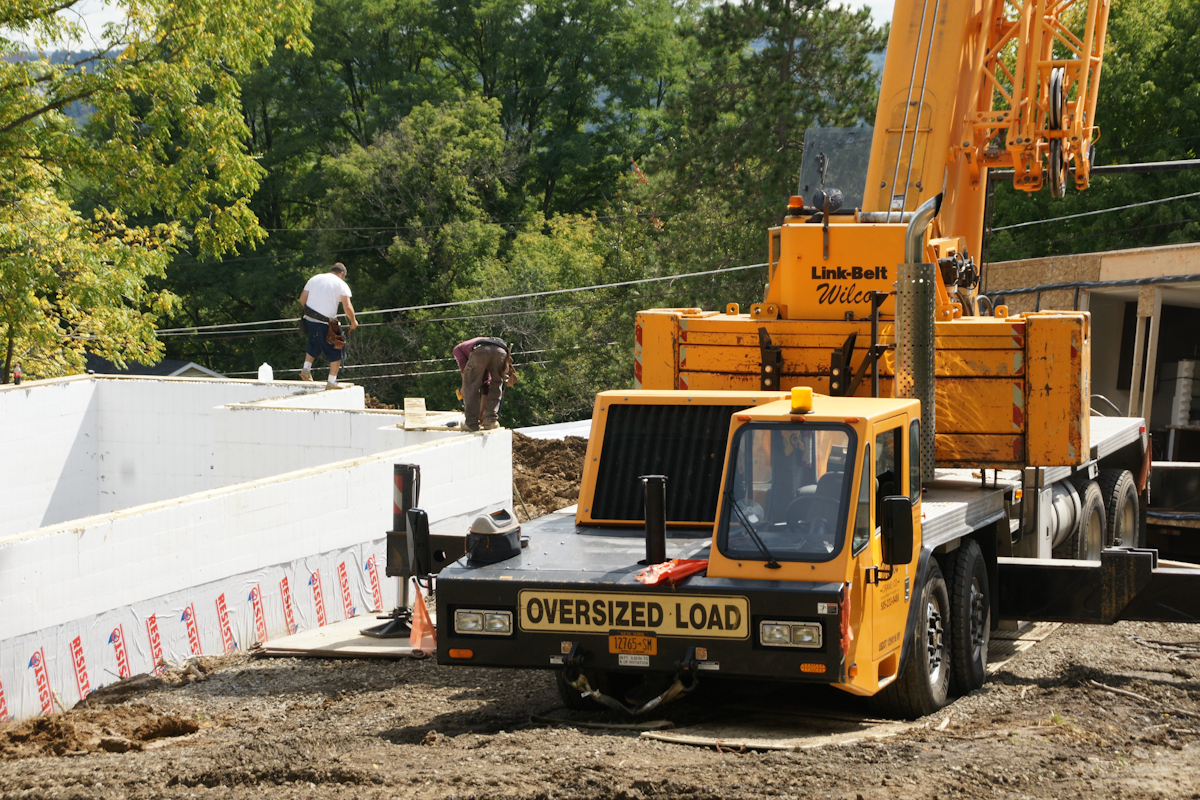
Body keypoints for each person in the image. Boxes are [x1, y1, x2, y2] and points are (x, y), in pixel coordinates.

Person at [299, 262, 358, 388]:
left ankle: (306, 369)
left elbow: (302, 299)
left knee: (314, 343)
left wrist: (314, 312)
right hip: (327, 322)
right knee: (338, 348)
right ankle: (331, 382)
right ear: (342, 274)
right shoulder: (341, 284)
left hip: (309, 319)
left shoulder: (315, 279)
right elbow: (347, 307)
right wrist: (353, 322)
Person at [454, 337, 517, 431]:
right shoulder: (484, 363)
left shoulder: (457, 349)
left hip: (481, 350)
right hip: (500, 351)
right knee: (496, 384)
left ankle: (471, 424)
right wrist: (482, 416)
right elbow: (487, 387)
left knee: (470, 386)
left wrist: (464, 388)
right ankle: (490, 422)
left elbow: (465, 373)